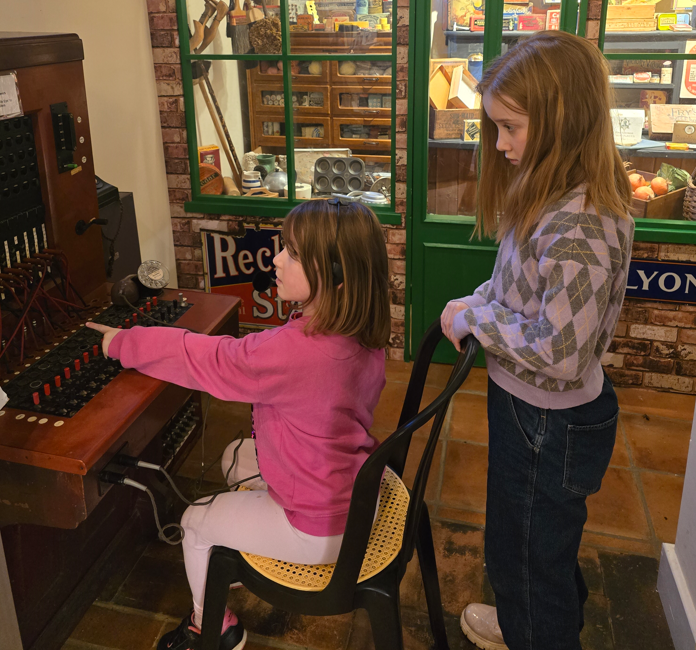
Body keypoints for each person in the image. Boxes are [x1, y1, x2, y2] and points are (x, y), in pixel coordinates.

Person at [88, 199, 390, 650]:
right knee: (234, 458)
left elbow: (207, 359)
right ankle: (233, 558)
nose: (276, 258)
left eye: (292, 252)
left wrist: (123, 342)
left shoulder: (297, 354)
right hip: (352, 489)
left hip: (317, 527)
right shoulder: (361, 328)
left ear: (335, 272)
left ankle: (212, 626)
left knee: (194, 522)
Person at [440, 32, 634, 650]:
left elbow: (561, 349)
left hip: (547, 423)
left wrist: (477, 322)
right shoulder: (554, 194)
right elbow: (519, 284)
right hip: (533, 413)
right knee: (537, 543)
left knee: (527, 555)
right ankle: (529, 616)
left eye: (510, 128)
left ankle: (536, 626)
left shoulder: (579, 222)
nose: (499, 145)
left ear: (561, 120)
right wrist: (479, 300)